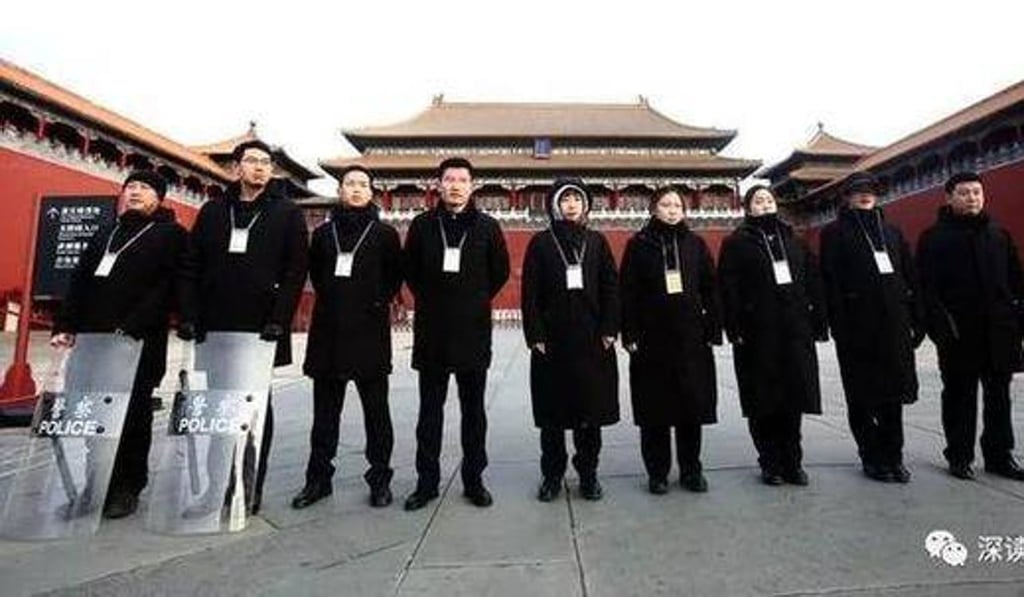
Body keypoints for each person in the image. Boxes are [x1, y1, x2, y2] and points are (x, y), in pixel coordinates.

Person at [177, 140, 309, 513]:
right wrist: (189, 314)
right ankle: (213, 486)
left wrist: (279, 319)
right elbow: (191, 264)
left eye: (266, 162)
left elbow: (295, 270)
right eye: (252, 161)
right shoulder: (213, 211)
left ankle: (247, 486)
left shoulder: (287, 213)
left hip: (261, 328)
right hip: (214, 326)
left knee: (255, 408)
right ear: (236, 167)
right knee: (216, 407)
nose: (260, 167)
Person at [53, 170, 186, 518]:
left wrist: (132, 325)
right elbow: (80, 280)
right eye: (131, 187)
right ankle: (96, 483)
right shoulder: (106, 232)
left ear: (159, 198)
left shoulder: (171, 235)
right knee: (92, 415)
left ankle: (128, 486)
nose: (135, 193)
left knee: (132, 416)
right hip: (93, 342)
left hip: (137, 342)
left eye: (144, 188)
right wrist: (65, 324)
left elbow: (168, 286)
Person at [401, 157, 510, 511]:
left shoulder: (487, 227)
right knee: (429, 413)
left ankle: (474, 480)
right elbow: (410, 271)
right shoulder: (422, 225)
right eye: (449, 179)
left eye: (463, 180)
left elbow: (500, 271)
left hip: (472, 332)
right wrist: (434, 301)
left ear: (472, 186)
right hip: (432, 332)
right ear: (439, 184)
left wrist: (473, 300)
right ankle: (426, 483)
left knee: (473, 412)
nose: (456, 186)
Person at [292, 165, 402, 509]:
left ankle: (380, 479)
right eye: (349, 183)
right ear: (340, 190)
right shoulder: (324, 234)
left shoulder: (385, 234)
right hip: (329, 331)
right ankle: (318, 480)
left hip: (369, 333)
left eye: (362, 184)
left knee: (377, 414)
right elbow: (316, 274)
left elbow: (394, 276)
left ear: (372, 192)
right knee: (324, 415)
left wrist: (375, 302)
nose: (356, 189)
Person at [917, 171, 1024, 481]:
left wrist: (1017, 322)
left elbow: (1016, 282)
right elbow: (926, 289)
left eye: (976, 192)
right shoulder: (933, 238)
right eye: (964, 193)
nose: (972, 198)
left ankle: (999, 456)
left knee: (999, 397)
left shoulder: (998, 235)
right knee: (959, 396)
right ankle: (959, 456)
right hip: (958, 333)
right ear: (949, 198)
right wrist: (940, 328)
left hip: (999, 331)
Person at [718, 185, 827, 486]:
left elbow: (813, 279)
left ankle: (793, 462)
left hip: (794, 330)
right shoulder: (736, 243)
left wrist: (819, 319)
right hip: (757, 332)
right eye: (758, 200)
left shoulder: (794, 239)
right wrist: (734, 326)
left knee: (793, 398)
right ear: (747, 207)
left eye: (769, 200)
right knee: (763, 400)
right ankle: (770, 462)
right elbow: (728, 287)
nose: (765, 204)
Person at [820, 172, 923, 483]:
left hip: (894, 324)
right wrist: (838, 323)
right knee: (862, 395)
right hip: (857, 327)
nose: (865, 195)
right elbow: (830, 281)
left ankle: (894, 456)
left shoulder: (891, 231)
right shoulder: (834, 233)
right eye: (858, 191)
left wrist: (916, 318)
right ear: (847, 197)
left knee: (893, 395)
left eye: (870, 190)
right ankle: (871, 455)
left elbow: (910, 274)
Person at [521, 179, 620, 502]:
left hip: (592, 341)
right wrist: (535, 334)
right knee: (552, 416)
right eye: (565, 200)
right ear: (555, 205)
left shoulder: (597, 242)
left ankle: (588, 474)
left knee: (590, 414)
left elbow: (610, 287)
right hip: (552, 342)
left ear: (586, 205)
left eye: (577, 199)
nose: (572, 205)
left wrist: (609, 329)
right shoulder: (540, 243)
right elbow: (530, 293)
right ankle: (552, 475)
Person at [620, 186, 721, 494]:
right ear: (654, 209)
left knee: (691, 406)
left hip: (691, 337)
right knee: (655, 409)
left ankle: (691, 470)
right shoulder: (638, 245)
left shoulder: (695, 244)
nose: (673, 210)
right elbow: (628, 291)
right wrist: (630, 332)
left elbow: (711, 288)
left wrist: (713, 327)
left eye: (678, 205)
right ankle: (657, 472)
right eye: (666, 204)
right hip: (651, 338)